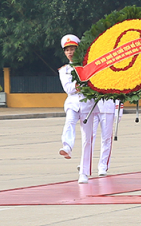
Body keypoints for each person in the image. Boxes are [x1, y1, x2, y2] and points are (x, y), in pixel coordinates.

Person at [58, 34, 96, 184]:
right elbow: (68, 88)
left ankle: (84, 173)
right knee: (69, 122)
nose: (70, 52)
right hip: (73, 103)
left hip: (87, 103)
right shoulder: (64, 70)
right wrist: (79, 85)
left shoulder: (89, 66)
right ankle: (67, 146)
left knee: (87, 139)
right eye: (67, 50)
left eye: (73, 49)